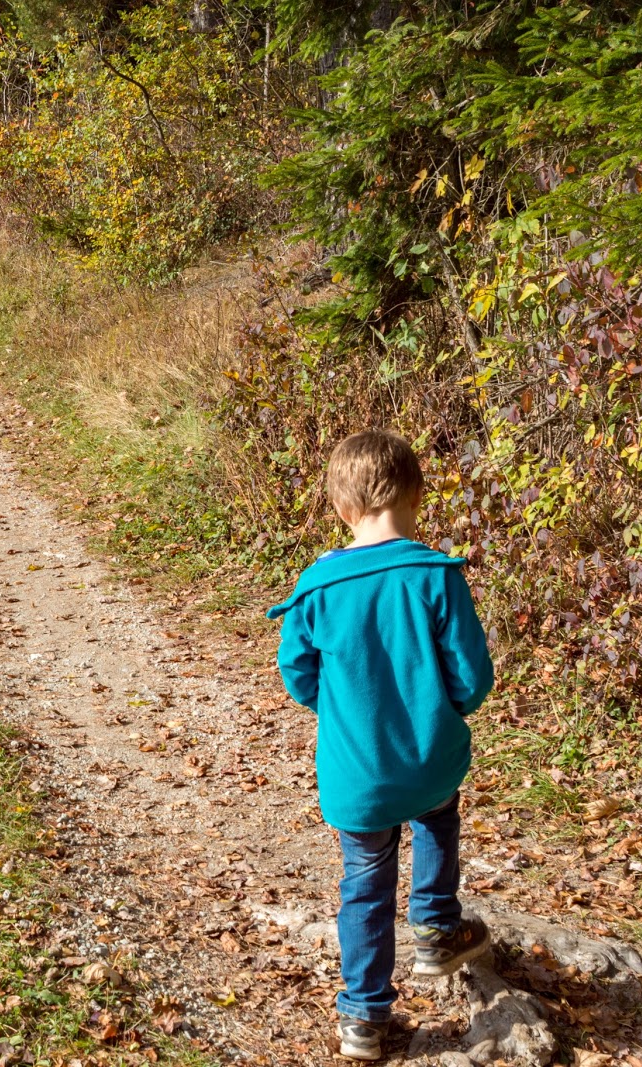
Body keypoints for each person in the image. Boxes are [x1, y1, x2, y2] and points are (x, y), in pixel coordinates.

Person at [268, 429, 495, 1061]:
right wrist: (444, 711)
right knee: (436, 816)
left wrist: (342, 711)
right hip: (427, 757)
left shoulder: (318, 586)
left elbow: (297, 673)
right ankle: (436, 930)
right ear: (417, 496)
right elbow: (472, 676)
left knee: (365, 882)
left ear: (342, 507)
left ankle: (363, 1018)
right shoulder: (435, 575)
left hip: (357, 769)